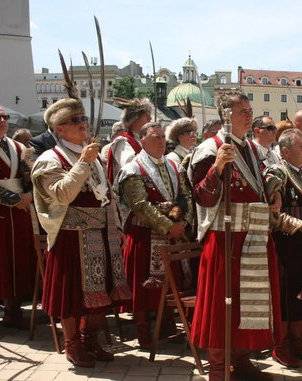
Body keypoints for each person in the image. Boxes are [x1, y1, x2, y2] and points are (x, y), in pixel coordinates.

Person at [188, 90, 284, 381]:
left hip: (254, 234)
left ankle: (241, 359)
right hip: (225, 238)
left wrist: (274, 189)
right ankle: (218, 368)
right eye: (242, 111)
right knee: (222, 305)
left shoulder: (252, 149)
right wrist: (217, 167)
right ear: (225, 115)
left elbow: (269, 173)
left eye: (249, 109)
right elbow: (202, 197)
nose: (249, 115)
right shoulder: (209, 148)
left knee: (248, 303)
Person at [31, 98, 132, 368]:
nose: (83, 124)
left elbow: (108, 193)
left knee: (103, 293)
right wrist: (83, 162)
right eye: (75, 121)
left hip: (103, 234)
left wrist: (118, 226)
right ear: (59, 128)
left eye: (83, 119)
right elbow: (63, 194)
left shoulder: (93, 156)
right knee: (72, 296)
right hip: (72, 236)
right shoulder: (49, 159)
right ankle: (72, 344)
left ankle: (91, 340)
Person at [116, 121, 193, 349]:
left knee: (171, 283)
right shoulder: (133, 169)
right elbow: (139, 204)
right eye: (155, 137)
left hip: (172, 233)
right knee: (143, 285)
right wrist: (168, 226)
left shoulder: (173, 164)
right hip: (144, 235)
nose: (161, 141)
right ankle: (142, 330)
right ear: (143, 141)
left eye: (162, 136)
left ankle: (167, 324)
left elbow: (186, 195)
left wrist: (182, 221)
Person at [263, 128, 302, 367]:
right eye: (301, 147)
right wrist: (298, 224)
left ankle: (296, 341)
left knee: (301, 294)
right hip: (285, 244)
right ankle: (280, 345)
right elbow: (271, 213)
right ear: (285, 151)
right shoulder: (276, 172)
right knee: (286, 295)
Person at [0, 105, 36, 339]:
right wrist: (15, 200)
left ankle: (13, 312)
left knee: (18, 259)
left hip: (18, 212)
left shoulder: (18, 146)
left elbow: (29, 174)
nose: (2, 120)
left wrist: (30, 194)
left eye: (4, 117)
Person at [106, 98, 153, 184]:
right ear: (134, 120)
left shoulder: (142, 142)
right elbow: (131, 167)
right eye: (146, 116)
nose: (150, 119)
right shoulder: (122, 142)